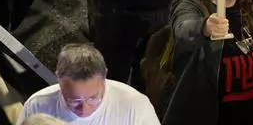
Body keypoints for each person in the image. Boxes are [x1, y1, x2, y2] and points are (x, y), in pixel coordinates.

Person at [20, 43, 160, 123]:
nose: (84, 110)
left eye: (93, 98)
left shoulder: (136, 107)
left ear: (105, 76)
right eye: (74, 101)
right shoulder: (37, 107)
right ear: (59, 79)